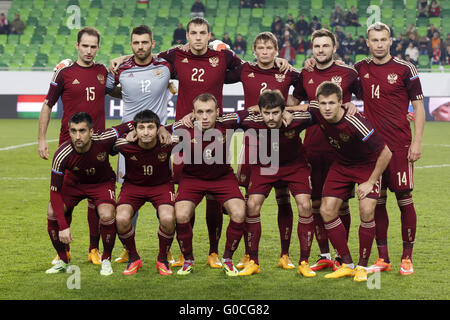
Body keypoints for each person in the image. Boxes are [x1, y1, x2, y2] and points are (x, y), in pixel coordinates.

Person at [223, 32, 303, 271]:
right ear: (254, 50)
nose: (265, 51)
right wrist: (218, 46)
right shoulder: (245, 69)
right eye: (260, 47)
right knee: (250, 202)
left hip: (282, 144)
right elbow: (219, 74)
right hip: (252, 142)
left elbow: (311, 83)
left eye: (269, 48)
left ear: (276, 50)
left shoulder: (287, 72)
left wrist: (292, 107)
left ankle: (285, 254)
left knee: (283, 199)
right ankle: (249, 255)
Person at [38, 27, 116, 267]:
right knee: (63, 202)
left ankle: (94, 249)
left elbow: (121, 92)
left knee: (96, 201)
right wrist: (42, 138)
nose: (89, 51)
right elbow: (47, 104)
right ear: (77, 45)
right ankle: (65, 252)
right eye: (85, 46)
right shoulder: (64, 72)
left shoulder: (103, 72)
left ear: (98, 48)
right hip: (69, 147)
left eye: (94, 47)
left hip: (97, 147)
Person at [354, 22, 425, 276]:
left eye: (384, 39)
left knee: (404, 200)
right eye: (375, 40)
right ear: (367, 42)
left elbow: (418, 109)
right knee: (377, 203)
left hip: (400, 147)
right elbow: (336, 84)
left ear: (391, 41)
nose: (379, 44)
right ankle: (383, 257)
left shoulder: (406, 69)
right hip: (372, 150)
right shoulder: (360, 68)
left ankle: (407, 257)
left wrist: (416, 142)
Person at [289, 28, 360, 272]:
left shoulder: (348, 73)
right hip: (313, 148)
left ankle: (342, 255)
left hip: (341, 150)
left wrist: (352, 103)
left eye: (325, 46)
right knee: (317, 203)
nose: (321, 50)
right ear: (312, 48)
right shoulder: (305, 72)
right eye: (317, 46)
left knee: (341, 205)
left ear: (334, 47)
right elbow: (294, 101)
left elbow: (369, 99)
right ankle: (324, 255)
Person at [308, 81, 392, 282]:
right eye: (323, 103)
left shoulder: (355, 122)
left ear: (341, 103)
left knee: (366, 210)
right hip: (342, 165)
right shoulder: (317, 110)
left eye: (331, 103)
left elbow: (386, 153)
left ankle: (362, 266)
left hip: (367, 166)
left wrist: (371, 182)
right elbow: (303, 108)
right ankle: (347, 264)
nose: (327, 108)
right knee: (326, 210)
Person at [105, 25, 175, 264]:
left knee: (164, 197)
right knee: (128, 193)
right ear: (131, 44)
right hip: (130, 140)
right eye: (136, 43)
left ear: (153, 44)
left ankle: (166, 249)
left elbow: (186, 55)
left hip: (160, 140)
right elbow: (107, 88)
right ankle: (127, 249)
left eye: (145, 42)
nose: (140, 47)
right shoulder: (122, 68)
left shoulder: (165, 65)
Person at [45, 112, 134, 276]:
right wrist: (63, 227)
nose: (77, 136)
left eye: (82, 131)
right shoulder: (62, 154)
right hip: (74, 185)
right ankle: (63, 260)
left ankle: (106, 259)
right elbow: (54, 192)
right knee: (52, 212)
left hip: (101, 183)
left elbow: (134, 123)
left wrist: (161, 130)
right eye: (73, 131)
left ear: (91, 132)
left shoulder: (105, 137)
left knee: (107, 215)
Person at [237, 90, 315, 277]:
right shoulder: (251, 121)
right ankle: (254, 261)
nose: (271, 118)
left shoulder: (297, 119)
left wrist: (292, 110)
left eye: (275, 113)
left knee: (305, 205)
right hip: (265, 165)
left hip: (294, 166)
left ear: (282, 110)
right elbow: (222, 118)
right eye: (266, 113)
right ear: (260, 112)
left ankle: (303, 262)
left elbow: (318, 109)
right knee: (252, 205)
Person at [171, 94, 250, 276]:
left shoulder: (227, 123)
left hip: (222, 177)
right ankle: (188, 259)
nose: (205, 117)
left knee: (239, 212)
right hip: (192, 178)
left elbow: (251, 111)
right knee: (181, 215)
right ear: (193, 114)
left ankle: (227, 258)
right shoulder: (184, 127)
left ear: (218, 112)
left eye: (209, 112)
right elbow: (159, 130)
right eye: (200, 112)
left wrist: (286, 111)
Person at [114, 110, 175, 275]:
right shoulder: (123, 145)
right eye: (141, 128)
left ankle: (162, 259)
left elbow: (184, 130)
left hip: (161, 186)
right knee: (120, 219)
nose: (146, 132)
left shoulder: (168, 142)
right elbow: (105, 141)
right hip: (133, 187)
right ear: (135, 130)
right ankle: (134, 258)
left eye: (150, 127)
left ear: (157, 129)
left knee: (168, 218)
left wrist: (165, 129)